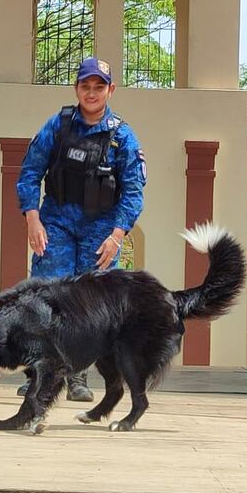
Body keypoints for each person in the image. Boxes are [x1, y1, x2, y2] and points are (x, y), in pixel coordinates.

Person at [16, 57, 147, 401]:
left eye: (99, 86)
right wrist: (32, 218)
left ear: (110, 90)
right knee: (46, 297)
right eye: (85, 86)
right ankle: (38, 376)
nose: (92, 93)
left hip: (100, 230)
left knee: (91, 307)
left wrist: (118, 235)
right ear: (76, 88)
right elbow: (30, 172)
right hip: (56, 221)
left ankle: (78, 378)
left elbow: (133, 191)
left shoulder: (122, 136)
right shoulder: (57, 126)